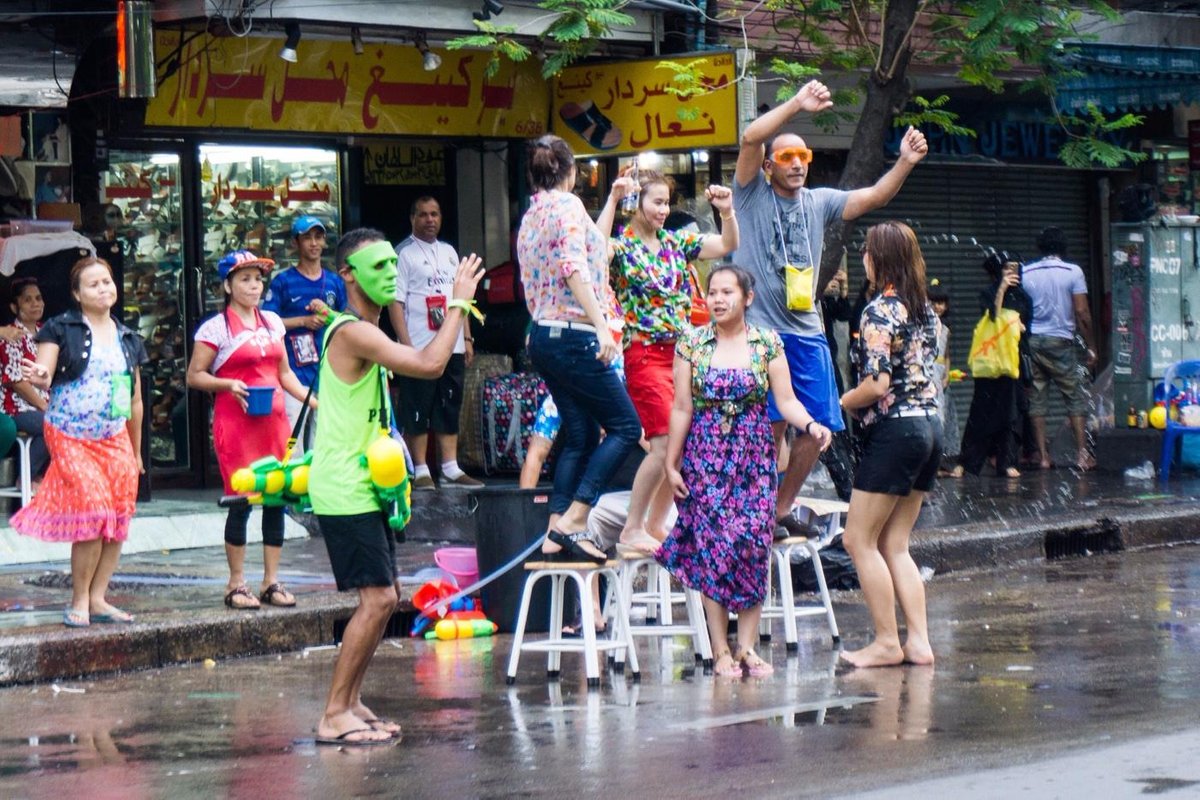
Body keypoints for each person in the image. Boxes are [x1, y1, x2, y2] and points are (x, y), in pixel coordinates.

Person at [308, 227, 483, 745]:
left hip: (366, 484)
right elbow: (430, 365)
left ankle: (352, 702)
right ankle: (333, 713)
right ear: (348, 275)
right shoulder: (354, 332)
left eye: (392, 265)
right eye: (377, 267)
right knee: (380, 598)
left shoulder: (365, 328)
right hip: (345, 486)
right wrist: (459, 304)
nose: (390, 274)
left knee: (385, 596)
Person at [734, 79, 928, 537]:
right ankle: (754, 509)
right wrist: (797, 105)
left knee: (820, 425)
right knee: (770, 425)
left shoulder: (820, 202)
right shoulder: (749, 194)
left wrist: (905, 161)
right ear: (768, 166)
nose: (799, 164)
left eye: (805, 157)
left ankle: (779, 508)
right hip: (760, 331)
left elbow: (875, 197)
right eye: (787, 157)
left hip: (807, 332)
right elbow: (748, 137)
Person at [659, 265, 833, 678]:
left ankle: (748, 647)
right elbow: (682, 407)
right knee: (713, 549)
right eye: (712, 293)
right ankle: (720, 650)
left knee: (754, 544)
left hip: (754, 460)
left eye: (727, 293)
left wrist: (810, 424)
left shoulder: (766, 342)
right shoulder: (691, 344)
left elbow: (786, 401)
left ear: (747, 298)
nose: (717, 300)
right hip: (705, 458)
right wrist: (671, 462)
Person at [596, 169, 739, 552]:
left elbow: (727, 243)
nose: (663, 210)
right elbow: (593, 253)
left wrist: (726, 211)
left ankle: (657, 523)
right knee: (661, 444)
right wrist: (612, 199)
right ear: (636, 204)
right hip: (643, 353)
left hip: (681, 356)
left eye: (666, 202)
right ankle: (631, 527)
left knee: (682, 444)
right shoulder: (621, 247)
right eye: (656, 202)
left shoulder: (676, 242)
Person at [518, 134, 642, 563]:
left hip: (543, 338)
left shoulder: (534, 214)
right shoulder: (567, 207)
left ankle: (555, 531)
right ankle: (575, 519)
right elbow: (575, 268)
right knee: (626, 427)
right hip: (574, 335)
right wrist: (603, 327)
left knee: (582, 435)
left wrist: (612, 199)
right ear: (570, 172)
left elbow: (593, 248)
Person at [14, 256, 146, 628]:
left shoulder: (128, 337)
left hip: (113, 436)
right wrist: (41, 375)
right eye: (94, 284)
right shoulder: (60, 328)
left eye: (107, 282)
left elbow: (134, 400)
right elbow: (45, 370)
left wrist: (135, 453)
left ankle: (99, 598)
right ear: (77, 294)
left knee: (119, 513)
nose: (104, 288)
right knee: (94, 509)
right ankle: (79, 600)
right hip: (69, 434)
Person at [186, 251, 314, 610]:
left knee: (276, 498)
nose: (254, 286)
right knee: (241, 501)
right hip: (236, 425)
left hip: (274, 425)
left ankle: (271, 581)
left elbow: (285, 374)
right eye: (244, 279)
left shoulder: (273, 322)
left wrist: (314, 400)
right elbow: (194, 376)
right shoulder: (215, 329)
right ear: (228, 285)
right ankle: (236, 584)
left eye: (258, 279)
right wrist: (228, 385)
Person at [838, 222, 940, 668]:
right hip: (931, 428)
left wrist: (838, 402)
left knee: (858, 540)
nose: (863, 258)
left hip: (896, 432)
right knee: (895, 543)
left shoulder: (880, 310)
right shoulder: (925, 310)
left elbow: (878, 384)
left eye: (866, 251)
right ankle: (918, 641)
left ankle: (885, 641)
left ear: (879, 259)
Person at [387, 197, 482, 490]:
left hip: (451, 343)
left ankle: (450, 468)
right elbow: (395, 302)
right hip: (419, 345)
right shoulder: (403, 253)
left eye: (435, 214)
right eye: (424, 215)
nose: (430, 220)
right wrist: (405, 344)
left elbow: (461, 299)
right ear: (412, 218)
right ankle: (420, 469)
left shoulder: (450, 252)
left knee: (449, 403)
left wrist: (466, 336)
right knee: (418, 406)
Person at [262, 215, 346, 448]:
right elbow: (267, 322)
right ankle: (294, 486)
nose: (314, 243)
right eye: (307, 237)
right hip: (294, 376)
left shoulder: (334, 282)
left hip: (328, 373)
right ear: (295, 243)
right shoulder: (283, 281)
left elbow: (348, 322)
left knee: (324, 443)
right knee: (293, 443)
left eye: (318, 237)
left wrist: (328, 314)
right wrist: (303, 321)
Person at [1020, 226, 1096, 470]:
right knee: (1074, 397)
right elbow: (1082, 313)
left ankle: (1043, 456)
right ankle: (1082, 455)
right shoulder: (1073, 272)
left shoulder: (1026, 271)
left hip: (1034, 343)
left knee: (1038, 400)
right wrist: (1091, 346)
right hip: (1062, 343)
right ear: (1063, 247)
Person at [951, 254, 1032, 478]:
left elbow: (1026, 328)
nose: (1011, 274)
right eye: (1007, 270)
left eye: (1015, 270)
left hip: (1012, 363)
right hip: (989, 365)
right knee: (980, 413)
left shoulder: (1023, 297)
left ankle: (1006, 463)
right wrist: (1001, 290)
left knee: (1011, 414)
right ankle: (968, 462)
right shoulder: (989, 293)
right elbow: (993, 317)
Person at [0, 277, 50, 478]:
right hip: (16, 408)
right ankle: (27, 478)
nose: (35, 303)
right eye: (27, 300)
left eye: (38, 298)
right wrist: (44, 406)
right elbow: (16, 382)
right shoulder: (11, 336)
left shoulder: (47, 332)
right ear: (14, 307)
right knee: (54, 425)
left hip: (42, 405)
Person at [927, 281, 961, 474]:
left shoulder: (946, 329)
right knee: (935, 416)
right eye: (934, 302)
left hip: (940, 374)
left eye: (941, 303)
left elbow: (946, 355)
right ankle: (932, 462)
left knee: (944, 417)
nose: (937, 307)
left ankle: (941, 461)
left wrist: (947, 374)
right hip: (928, 372)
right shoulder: (925, 325)